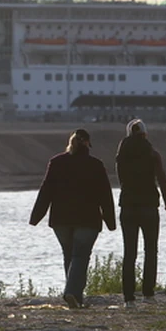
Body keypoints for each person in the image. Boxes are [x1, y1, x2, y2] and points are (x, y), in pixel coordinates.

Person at [29, 128, 116, 309]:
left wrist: (36, 216)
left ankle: (75, 297)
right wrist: (110, 221)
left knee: (70, 255)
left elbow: (46, 191)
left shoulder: (56, 162)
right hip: (88, 219)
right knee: (80, 256)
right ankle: (73, 293)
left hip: (61, 219)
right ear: (87, 144)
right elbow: (105, 195)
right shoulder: (95, 165)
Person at [115, 119, 166, 307]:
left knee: (129, 252)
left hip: (128, 206)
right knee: (151, 250)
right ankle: (148, 295)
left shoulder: (121, 155)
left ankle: (129, 299)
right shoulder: (152, 154)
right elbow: (162, 179)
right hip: (149, 206)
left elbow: (121, 180)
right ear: (145, 134)